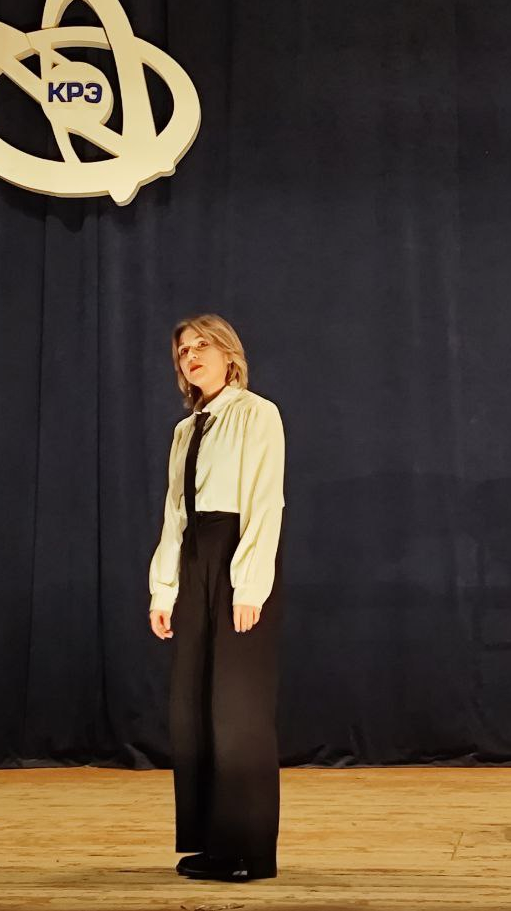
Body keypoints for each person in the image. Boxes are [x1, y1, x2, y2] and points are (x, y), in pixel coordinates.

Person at [148, 313, 286, 883]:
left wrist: (248, 584)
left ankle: (248, 849)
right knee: (193, 706)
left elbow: (264, 501)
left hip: (236, 556)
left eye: (202, 345)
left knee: (237, 708)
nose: (192, 356)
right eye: (184, 350)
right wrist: (164, 589)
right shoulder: (185, 431)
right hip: (194, 558)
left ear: (230, 354)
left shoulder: (257, 413)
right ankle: (212, 842)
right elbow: (174, 515)